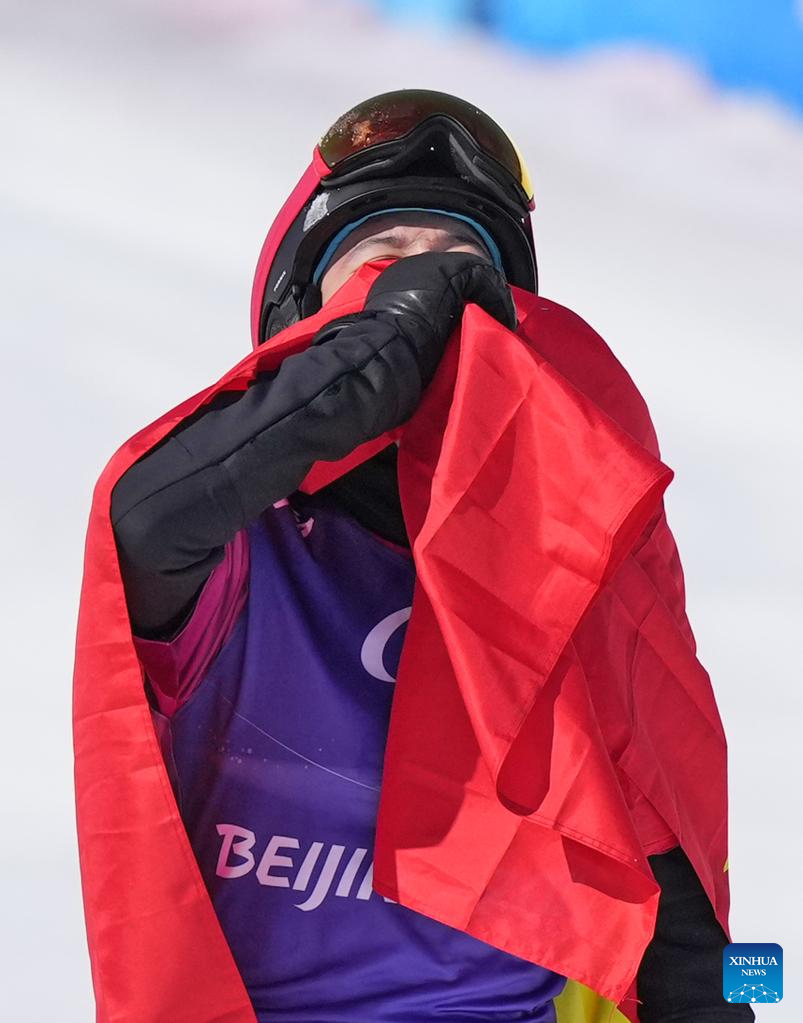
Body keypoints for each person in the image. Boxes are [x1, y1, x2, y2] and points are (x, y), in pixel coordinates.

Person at [108, 90, 753, 1022]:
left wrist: (741, 990)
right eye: (384, 260)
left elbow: (678, 831)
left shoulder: (559, 545)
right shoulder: (241, 544)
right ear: (303, 306)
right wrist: (357, 372)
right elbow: (139, 527)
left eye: (458, 266)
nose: (425, 292)